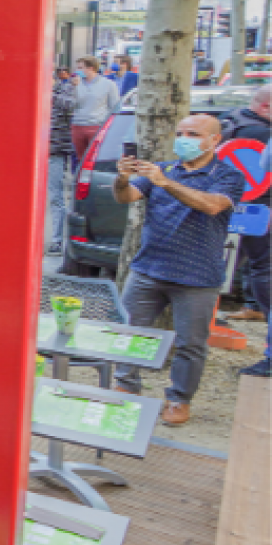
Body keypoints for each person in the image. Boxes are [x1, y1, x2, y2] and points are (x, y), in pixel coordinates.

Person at [113, 115, 245, 423]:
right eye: (181, 133)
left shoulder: (227, 176)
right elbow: (126, 196)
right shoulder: (166, 168)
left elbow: (211, 205)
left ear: (215, 140)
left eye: (193, 134)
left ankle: (178, 399)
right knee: (129, 331)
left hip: (197, 276)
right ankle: (126, 385)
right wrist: (121, 178)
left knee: (191, 343)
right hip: (149, 268)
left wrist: (164, 183)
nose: (184, 138)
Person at [224, 86, 272, 335]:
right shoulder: (262, 134)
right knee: (263, 265)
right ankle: (265, 312)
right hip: (259, 209)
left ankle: (253, 306)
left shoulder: (230, 120)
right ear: (265, 106)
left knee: (231, 261)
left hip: (230, 205)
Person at [47, 67, 78, 256]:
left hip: (56, 150)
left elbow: (71, 106)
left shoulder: (64, 91)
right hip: (36, 153)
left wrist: (47, 95)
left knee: (55, 195)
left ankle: (57, 239)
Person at [71, 56, 120, 162]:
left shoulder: (108, 84)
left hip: (97, 125)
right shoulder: (75, 84)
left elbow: (114, 106)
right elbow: (71, 104)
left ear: (91, 68)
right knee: (80, 158)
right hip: (78, 125)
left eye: (80, 68)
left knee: (95, 158)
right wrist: (73, 87)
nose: (77, 71)